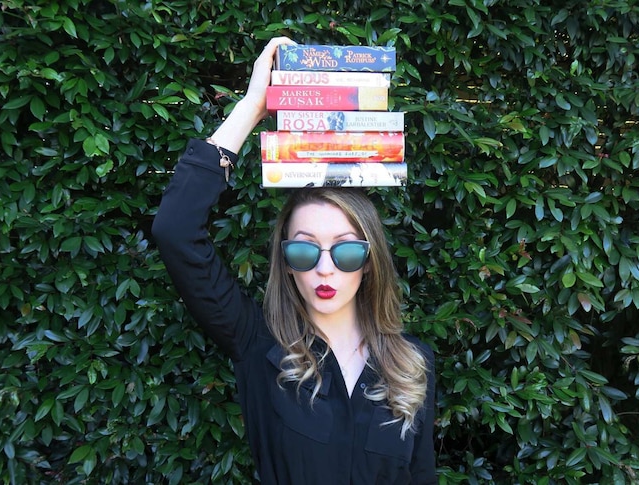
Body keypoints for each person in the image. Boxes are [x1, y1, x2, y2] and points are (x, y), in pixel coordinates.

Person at [151, 36, 437, 484]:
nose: (325, 268)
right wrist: (252, 107)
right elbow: (175, 231)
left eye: (345, 250)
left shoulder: (411, 362)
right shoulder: (259, 345)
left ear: (369, 261)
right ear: (286, 262)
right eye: (304, 249)